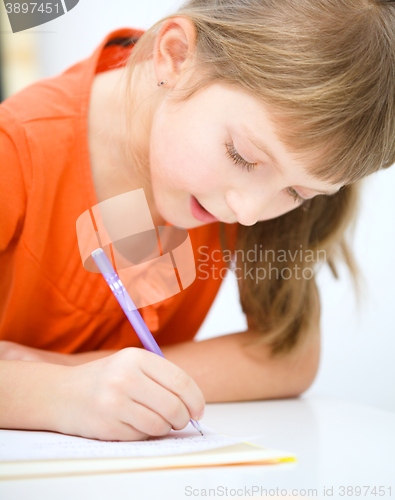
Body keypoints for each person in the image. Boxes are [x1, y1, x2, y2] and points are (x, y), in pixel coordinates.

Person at [0, 0, 394, 441]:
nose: (247, 214)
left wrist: (80, 372)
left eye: (299, 194)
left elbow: (289, 353)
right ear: (176, 57)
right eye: (240, 156)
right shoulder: (16, 150)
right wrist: (56, 393)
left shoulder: (274, 165)